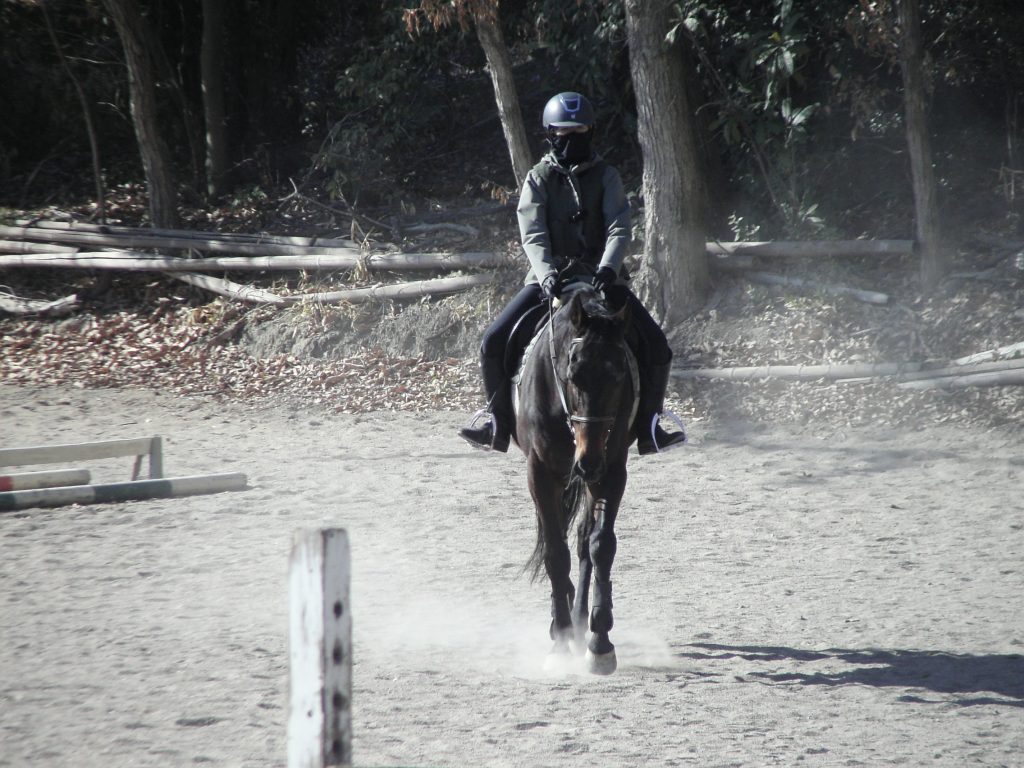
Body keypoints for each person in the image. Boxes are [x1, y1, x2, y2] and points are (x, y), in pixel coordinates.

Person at [458, 91, 686, 455]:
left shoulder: (607, 176)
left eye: (579, 131)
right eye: (564, 133)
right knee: (493, 341)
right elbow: (533, 233)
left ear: (590, 131)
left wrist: (608, 268)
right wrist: (546, 273)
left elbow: (619, 227)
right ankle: (496, 423)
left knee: (657, 345)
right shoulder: (538, 178)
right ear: (551, 134)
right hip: (549, 282)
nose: (572, 139)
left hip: (602, 280)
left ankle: (650, 427)